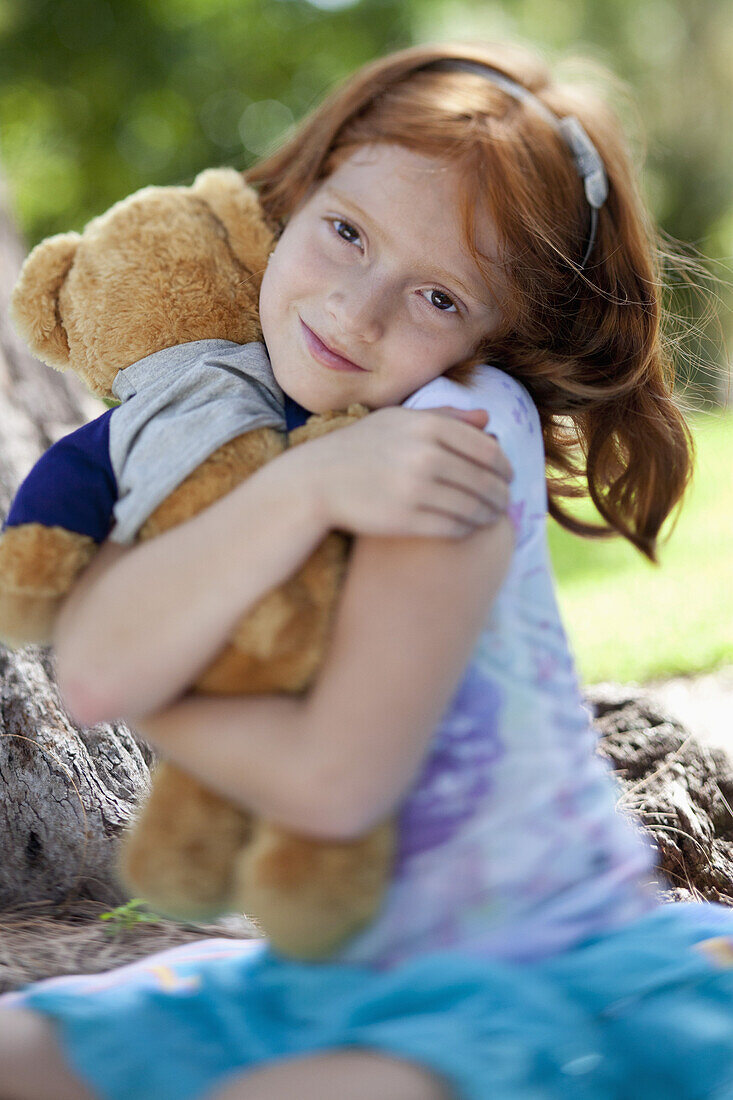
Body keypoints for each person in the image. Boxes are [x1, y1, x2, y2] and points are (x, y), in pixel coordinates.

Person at [1, 39, 731, 1100]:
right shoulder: (250, 414)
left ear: (498, 333)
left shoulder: (461, 435)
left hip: (538, 972)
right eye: (346, 232)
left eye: (438, 297)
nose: (356, 309)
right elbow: (104, 657)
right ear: (297, 195)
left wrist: (136, 645)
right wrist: (297, 492)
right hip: (344, 975)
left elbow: (331, 777)